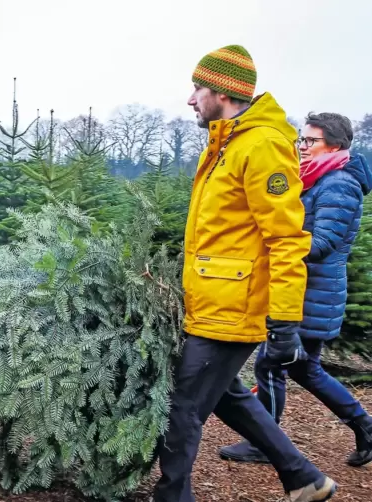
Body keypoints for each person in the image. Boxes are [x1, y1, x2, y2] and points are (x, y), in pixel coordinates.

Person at [151, 45, 337, 502]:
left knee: (183, 406)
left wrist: (285, 321)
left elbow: (286, 239)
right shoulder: (225, 144)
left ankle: (172, 496)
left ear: (223, 92)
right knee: (228, 395)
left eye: (198, 88)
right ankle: (303, 477)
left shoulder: (263, 145)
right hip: (213, 301)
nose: (191, 99)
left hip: (233, 307)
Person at [219, 113, 372, 468]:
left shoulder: (339, 183)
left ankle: (263, 442)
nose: (302, 147)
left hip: (311, 290)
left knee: (273, 363)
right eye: (301, 140)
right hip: (307, 286)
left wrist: (275, 243)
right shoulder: (318, 180)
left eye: (310, 141)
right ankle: (365, 426)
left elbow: (323, 243)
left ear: (334, 144)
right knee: (304, 368)